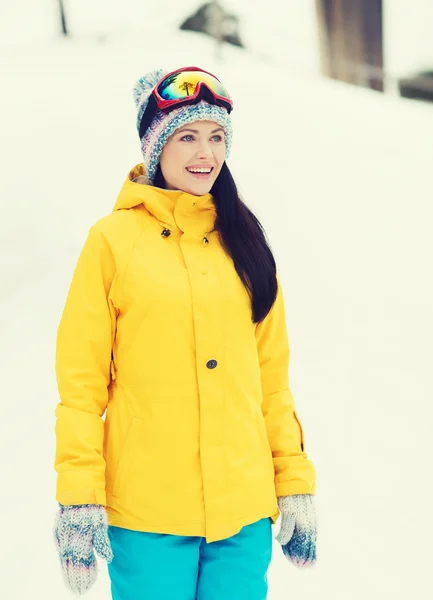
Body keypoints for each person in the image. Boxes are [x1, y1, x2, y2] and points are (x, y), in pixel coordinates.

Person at [53, 66, 318, 599]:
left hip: (242, 515)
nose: (206, 153)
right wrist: (80, 496)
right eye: (187, 136)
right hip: (149, 514)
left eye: (217, 137)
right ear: (155, 147)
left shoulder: (244, 243)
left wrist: (293, 482)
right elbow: (81, 387)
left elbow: (272, 382)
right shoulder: (111, 242)